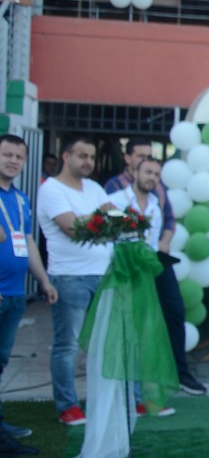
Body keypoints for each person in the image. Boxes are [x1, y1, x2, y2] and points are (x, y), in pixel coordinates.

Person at [39, 136, 116, 425]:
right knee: (68, 345)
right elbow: (72, 228)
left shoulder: (94, 187)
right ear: (66, 156)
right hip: (69, 277)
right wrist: (100, 217)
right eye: (82, 156)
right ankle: (68, 406)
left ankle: (98, 399)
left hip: (103, 275)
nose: (88, 162)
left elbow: (119, 219)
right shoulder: (51, 189)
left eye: (92, 157)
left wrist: (97, 218)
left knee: (100, 342)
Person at [107, 156, 194, 407]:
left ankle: (152, 388)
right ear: (134, 173)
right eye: (148, 172)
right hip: (125, 271)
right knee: (129, 331)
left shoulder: (155, 205)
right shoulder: (116, 201)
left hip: (151, 268)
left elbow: (155, 240)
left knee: (162, 320)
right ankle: (128, 394)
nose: (152, 178)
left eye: (156, 174)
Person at [0, 134, 55, 454]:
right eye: (7, 154)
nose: (13, 161)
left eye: (19, 156)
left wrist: (44, 281)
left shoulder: (20, 199)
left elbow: (28, 241)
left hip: (15, 294)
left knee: (1, 361)